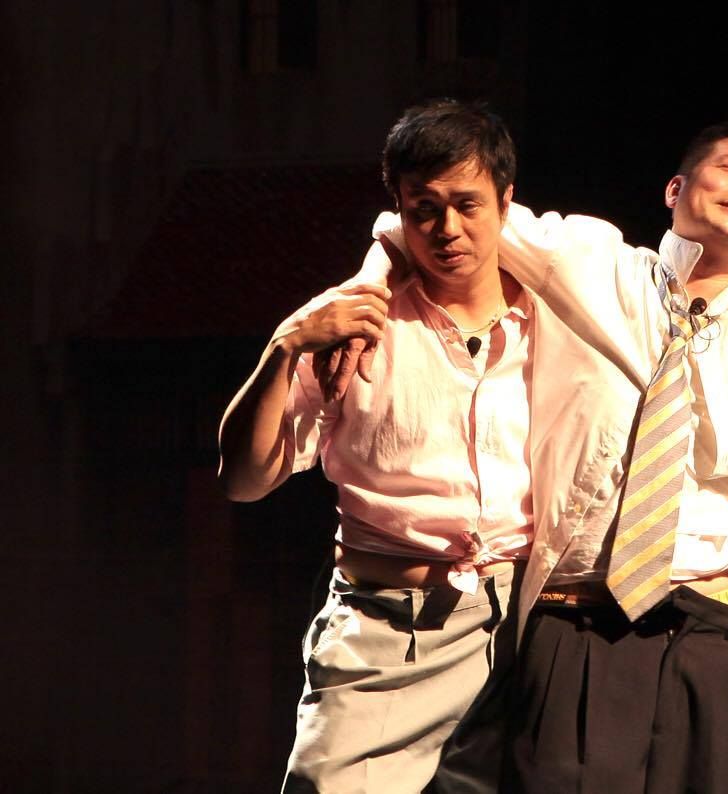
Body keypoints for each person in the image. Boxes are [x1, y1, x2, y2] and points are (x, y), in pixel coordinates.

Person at [332, 119, 728, 793]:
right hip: (580, 610)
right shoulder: (590, 261)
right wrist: (364, 294)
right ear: (674, 189)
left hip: (717, 619)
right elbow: (430, 215)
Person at [216, 99, 531, 793]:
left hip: (521, 632)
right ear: (399, 211)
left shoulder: (553, 318)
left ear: (507, 202)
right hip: (388, 629)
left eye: (467, 205)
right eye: (424, 209)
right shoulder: (355, 326)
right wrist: (283, 347)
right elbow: (242, 479)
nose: (447, 229)